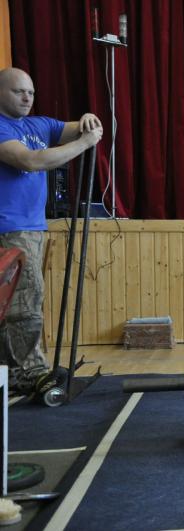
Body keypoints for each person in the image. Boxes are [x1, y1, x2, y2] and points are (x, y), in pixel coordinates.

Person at [0, 67, 103, 394]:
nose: (27, 97)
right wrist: (85, 143)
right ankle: (32, 372)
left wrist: (87, 120)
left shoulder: (39, 125)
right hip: (10, 228)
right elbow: (30, 161)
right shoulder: (1, 127)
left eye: (30, 92)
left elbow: (80, 128)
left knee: (21, 301)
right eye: (19, 91)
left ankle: (14, 372)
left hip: (31, 228)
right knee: (24, 302)